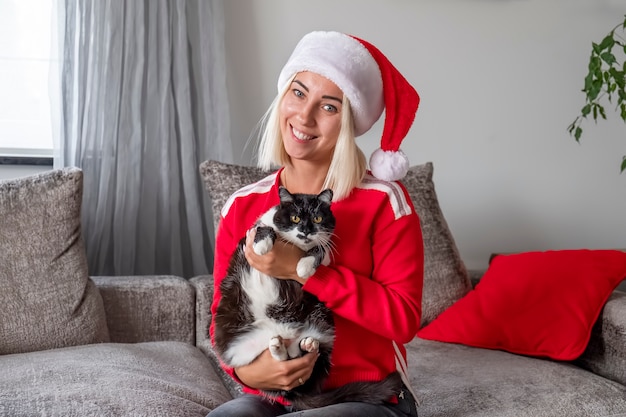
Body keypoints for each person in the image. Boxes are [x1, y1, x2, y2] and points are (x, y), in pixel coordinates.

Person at [207, 30, 424, 417]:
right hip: (274, 397)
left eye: (329, 107)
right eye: (299, 93)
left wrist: (302, 271)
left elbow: (403, 318)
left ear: (348, 124)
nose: (304, 117)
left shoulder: (384, 202)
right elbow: (222, 317)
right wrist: (253, 373)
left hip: (366, 397)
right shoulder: (242, 206)